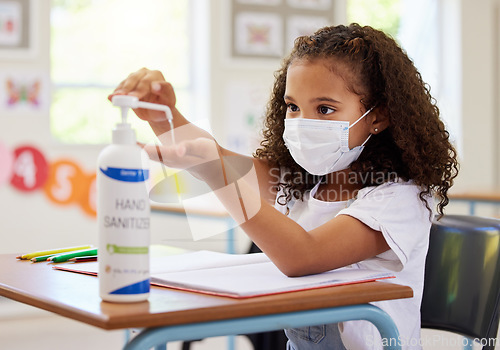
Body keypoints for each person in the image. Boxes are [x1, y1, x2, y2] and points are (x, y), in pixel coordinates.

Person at [109, 23, 459, 350]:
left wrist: (215, 173)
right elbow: (211, 156)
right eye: (292, 106)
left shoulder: (401, 198)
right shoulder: (304, 181)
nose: (303, 122)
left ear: (378, 117)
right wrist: (164, 115)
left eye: (324, 109)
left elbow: (303, 256)